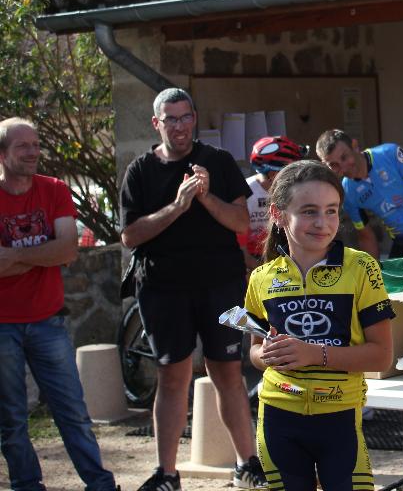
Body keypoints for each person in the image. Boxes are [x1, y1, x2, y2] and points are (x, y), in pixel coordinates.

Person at [119, 88, 265, 491]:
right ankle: (167, 472)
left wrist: (205, 197)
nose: (180, 126)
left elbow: (241, 222)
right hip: (164, 289)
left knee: (228, 373)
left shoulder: (216, 162)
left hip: (219, 285)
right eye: (171, 119)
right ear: (157, 123)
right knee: (172, 376)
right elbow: (130, 235)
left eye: (186, 117)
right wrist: (178, 206)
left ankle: (247, 463)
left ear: (194, 118)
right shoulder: (140, 171)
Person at [245, 160, 394, 491]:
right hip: (277, 415)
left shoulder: (361, 268)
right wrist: (266, 355)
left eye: (331, 210)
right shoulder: (261, 277)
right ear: (278, 214)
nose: (323, 222)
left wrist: (313, 354)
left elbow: (381, 356)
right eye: (309, 211)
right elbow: (254, 353)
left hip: (339, 416)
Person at [0, 118, 117, 491]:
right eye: (23, 146)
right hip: (2, 325)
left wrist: (14, 256)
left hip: (48, 321)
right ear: (2, 154)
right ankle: (26, 485)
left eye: (36, 144)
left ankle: (99, 484)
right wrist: (43, 252)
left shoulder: (54, 190)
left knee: (73, 413)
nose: (33, 152)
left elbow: (68, 248)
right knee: (12, 418)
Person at [316, 130, 403, 259]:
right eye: (334, 165)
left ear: (355, 146)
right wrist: (372, 273)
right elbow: (366, 236)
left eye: (344, 157)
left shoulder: (390, 154)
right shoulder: (347, 192)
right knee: (390, 281)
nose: (343, 168)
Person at [240, 135, 307, 267]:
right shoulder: (245, 192)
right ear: (273, 172)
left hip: (286, 256)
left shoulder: (295, 190)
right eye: (290, 170)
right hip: (254, 260)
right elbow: (241, 252)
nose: (294, 176)